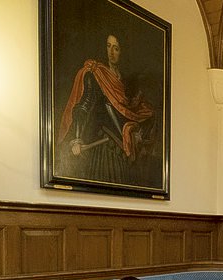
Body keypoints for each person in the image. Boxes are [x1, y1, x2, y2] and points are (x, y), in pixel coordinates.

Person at [56, 34, 157, 187]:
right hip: (104, 146)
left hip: (123, 150)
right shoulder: (96, 74)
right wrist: (77, 139)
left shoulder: (127, 82)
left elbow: (135, 111)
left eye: (115, 48)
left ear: (122, 52)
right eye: (108, 46)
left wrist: (136, 133)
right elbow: (84, 106)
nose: (111, 52)